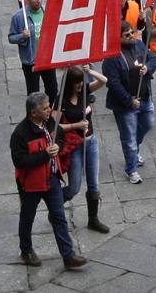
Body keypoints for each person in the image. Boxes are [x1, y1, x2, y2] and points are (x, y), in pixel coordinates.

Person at [9, 93, 88, 271]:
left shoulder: (50, 122)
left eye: (48, 107)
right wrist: (45, 154)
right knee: (27, 217)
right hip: (31, 184)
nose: (49, 110)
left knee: (59, 217)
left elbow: (60, 135)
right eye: (44, 108)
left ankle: (68, 256)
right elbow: (20, 161)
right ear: (33, 112)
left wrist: (58, 145)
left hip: (51, 179)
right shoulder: (20, 134)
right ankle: (26, 250)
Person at [56, 67, 111, 233]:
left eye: (81, 82)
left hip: (91, 142)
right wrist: (76, 125)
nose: (80, 85)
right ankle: (55, 205)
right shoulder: (61, 101)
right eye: (76, 83)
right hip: (75, 146)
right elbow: (55, 126)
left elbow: (104, 81)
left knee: (94, 183)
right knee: (74, 187)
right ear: (69, 84)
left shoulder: (85, 91)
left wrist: (90, 72)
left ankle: (93, 219)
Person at [104, 20, 153, 183]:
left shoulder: (139, 45)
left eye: (132, 32)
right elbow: (113, 83)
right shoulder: (112, 57)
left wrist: (148, 68)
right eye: (127, 35)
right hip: (126, 105)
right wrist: (128, 100)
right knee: (129, 138)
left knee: (147, 125)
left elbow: (152, 58)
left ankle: (134, 150)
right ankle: (131, 169)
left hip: (144, 98)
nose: (132, 36)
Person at [9, 0, 58, 101]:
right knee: (33, 94)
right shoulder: (19, 16)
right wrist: (22, 36)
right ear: (27, 0)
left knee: (53, 90)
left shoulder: (47, 11)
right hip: (31, 61)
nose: (38, 1)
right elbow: (11, 38)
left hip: (47, 59)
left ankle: (48, 113)